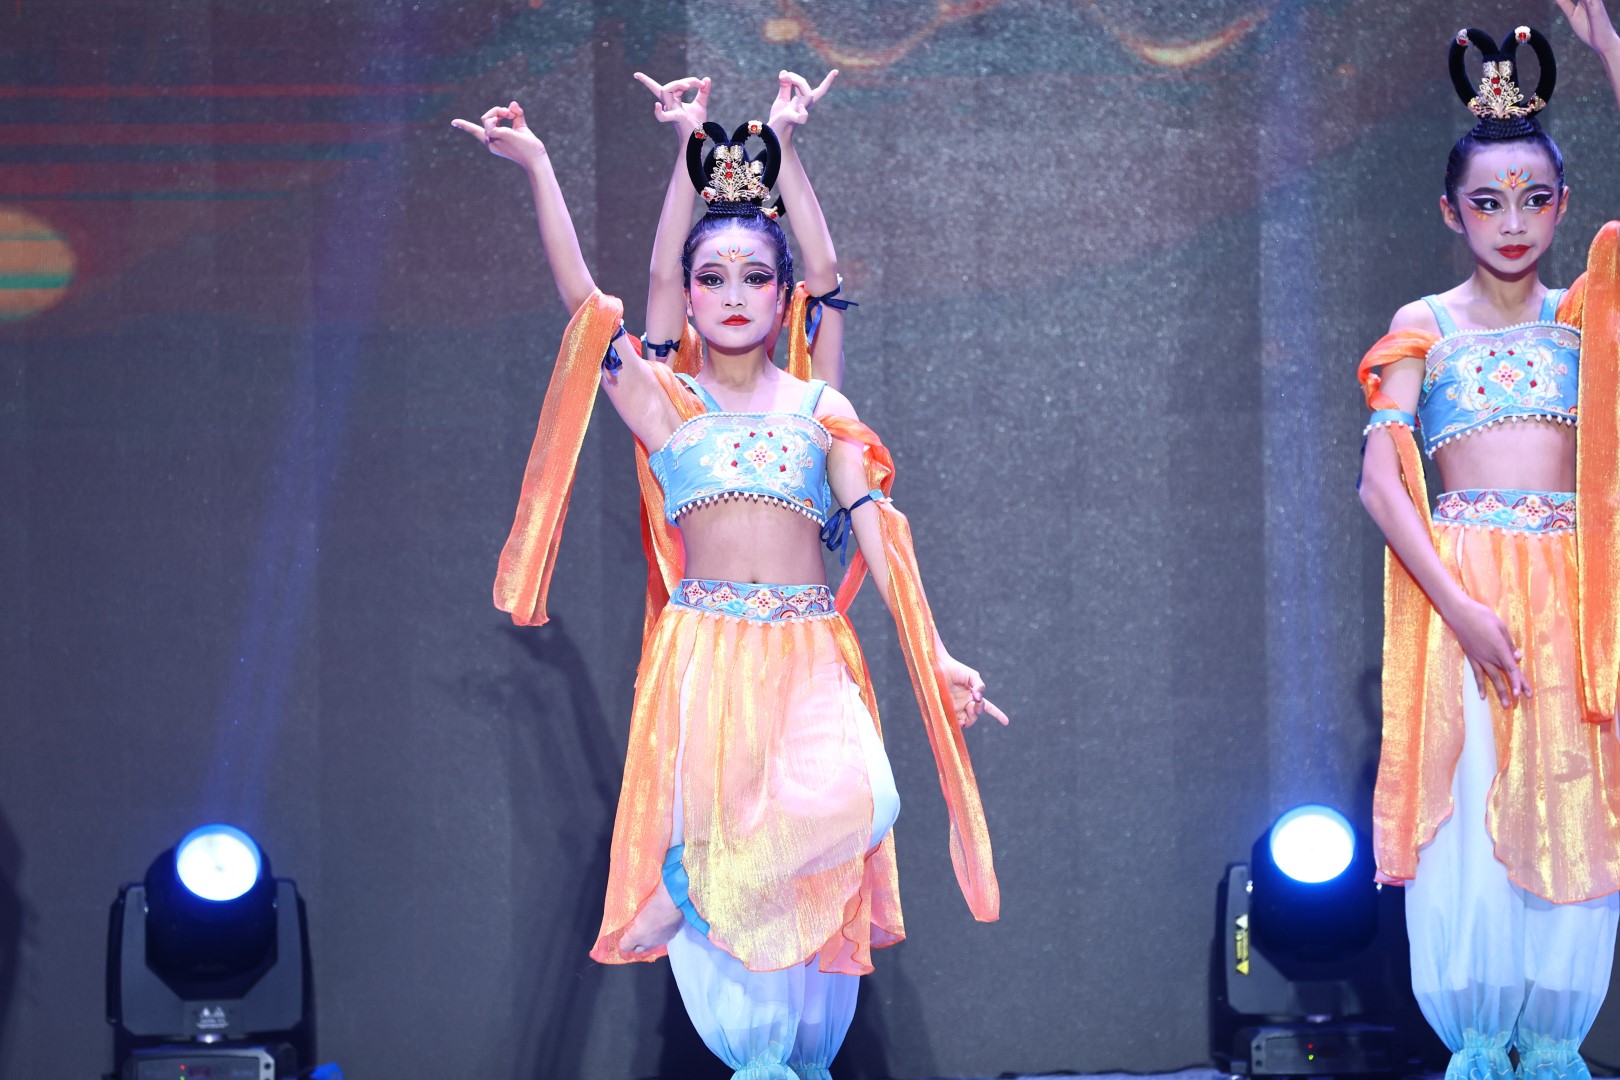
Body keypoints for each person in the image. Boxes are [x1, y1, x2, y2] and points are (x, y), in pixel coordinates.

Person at [453, 70, 1004, 1080]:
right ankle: (720, 954)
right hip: (705, 654)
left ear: (783, 295)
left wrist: (935, 654)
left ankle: (681, 887)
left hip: (809, 651)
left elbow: (880, 537)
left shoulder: (823, 410)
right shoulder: (668, 406)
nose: (735, 294)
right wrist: (539, 165)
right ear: (693, 296)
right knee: (746, 944)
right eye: (714, 279)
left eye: (755, 277)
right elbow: (591, 305)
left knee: (865, 801)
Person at [1355, 6, 1620, 1074]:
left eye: (1534, 199)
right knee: (1470, 826)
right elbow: (1382, 482)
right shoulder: (1424, 324)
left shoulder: (1586, 319)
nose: (1513, 222)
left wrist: (1610, 52)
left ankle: (1552, 1052)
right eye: (1488, 201)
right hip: (1461, 592)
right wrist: (1460, 611)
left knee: (1570, 807)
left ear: (1562, 203)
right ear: (1451, 210)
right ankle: (1476, 1048)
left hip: (1571, 601)